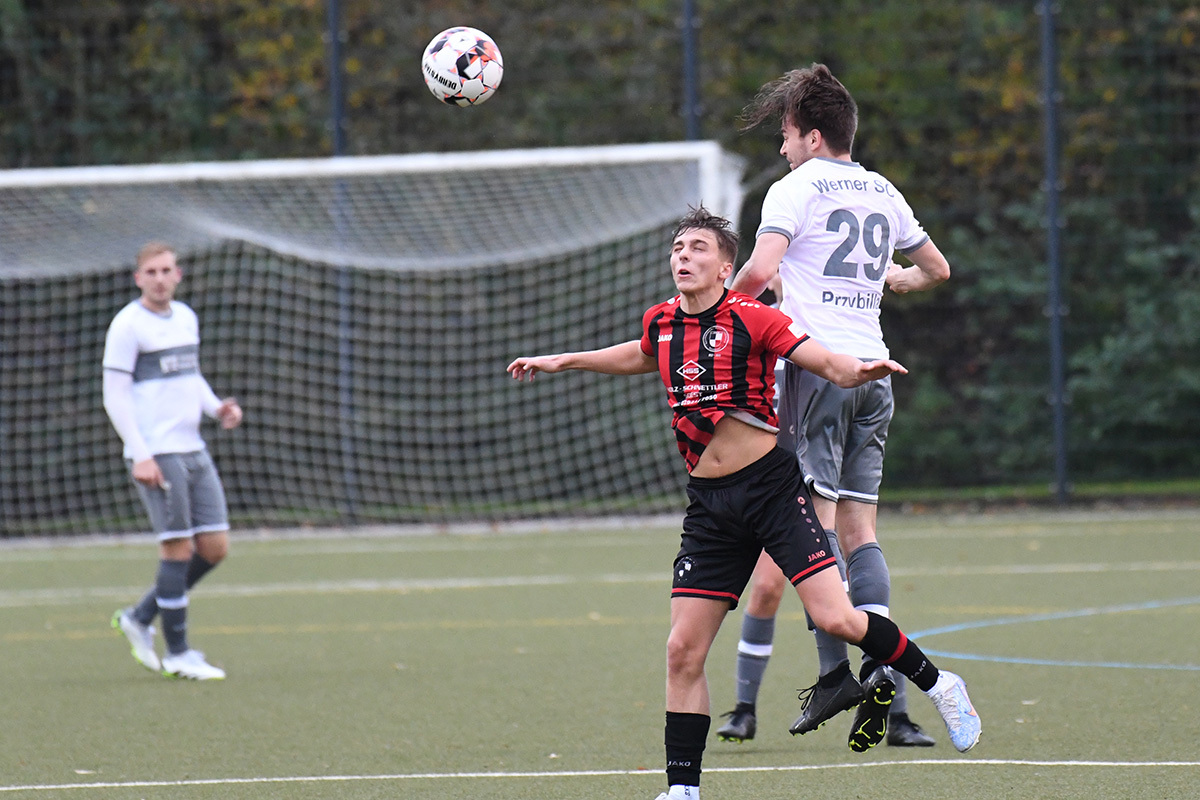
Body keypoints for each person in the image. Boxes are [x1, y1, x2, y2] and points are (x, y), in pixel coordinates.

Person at [507, 207, 980, 800]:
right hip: (709, 505)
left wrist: (859, 371)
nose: (683, 256)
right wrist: (561, 360)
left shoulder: (754, 317)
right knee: (682, 650)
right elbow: (637, 352)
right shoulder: (663, 323)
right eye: (678, 247)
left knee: (836, 618)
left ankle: (940, 684)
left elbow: (821, 359)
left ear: (726, 265)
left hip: (772, 491)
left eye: (698, 248)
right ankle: (683, 791)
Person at [715, 63, 953, 752]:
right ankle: (884, 676)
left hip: (818, 375)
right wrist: (899, 279)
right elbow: (937, 268)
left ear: (814, 137)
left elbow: (759, 275)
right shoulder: (883, 190)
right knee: (861, 531)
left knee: (808, 536)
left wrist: (714, 321)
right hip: (875, 374)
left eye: (787, 136)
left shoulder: (796, 188)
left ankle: (837, 676)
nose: (782, 149)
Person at [103, 242, 242, 681]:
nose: (160, 278)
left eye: (167, 270)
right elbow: (115, 395)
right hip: (158, 453)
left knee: (214, 547)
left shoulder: (185, 317)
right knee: (177, 547)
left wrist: (217, 407)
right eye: (151, 271)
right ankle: (179, 653)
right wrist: (140, 453)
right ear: (138, 278)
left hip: (193, 448)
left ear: (178, 275)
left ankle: (139, 616)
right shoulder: (127, 326)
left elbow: (189, 375)